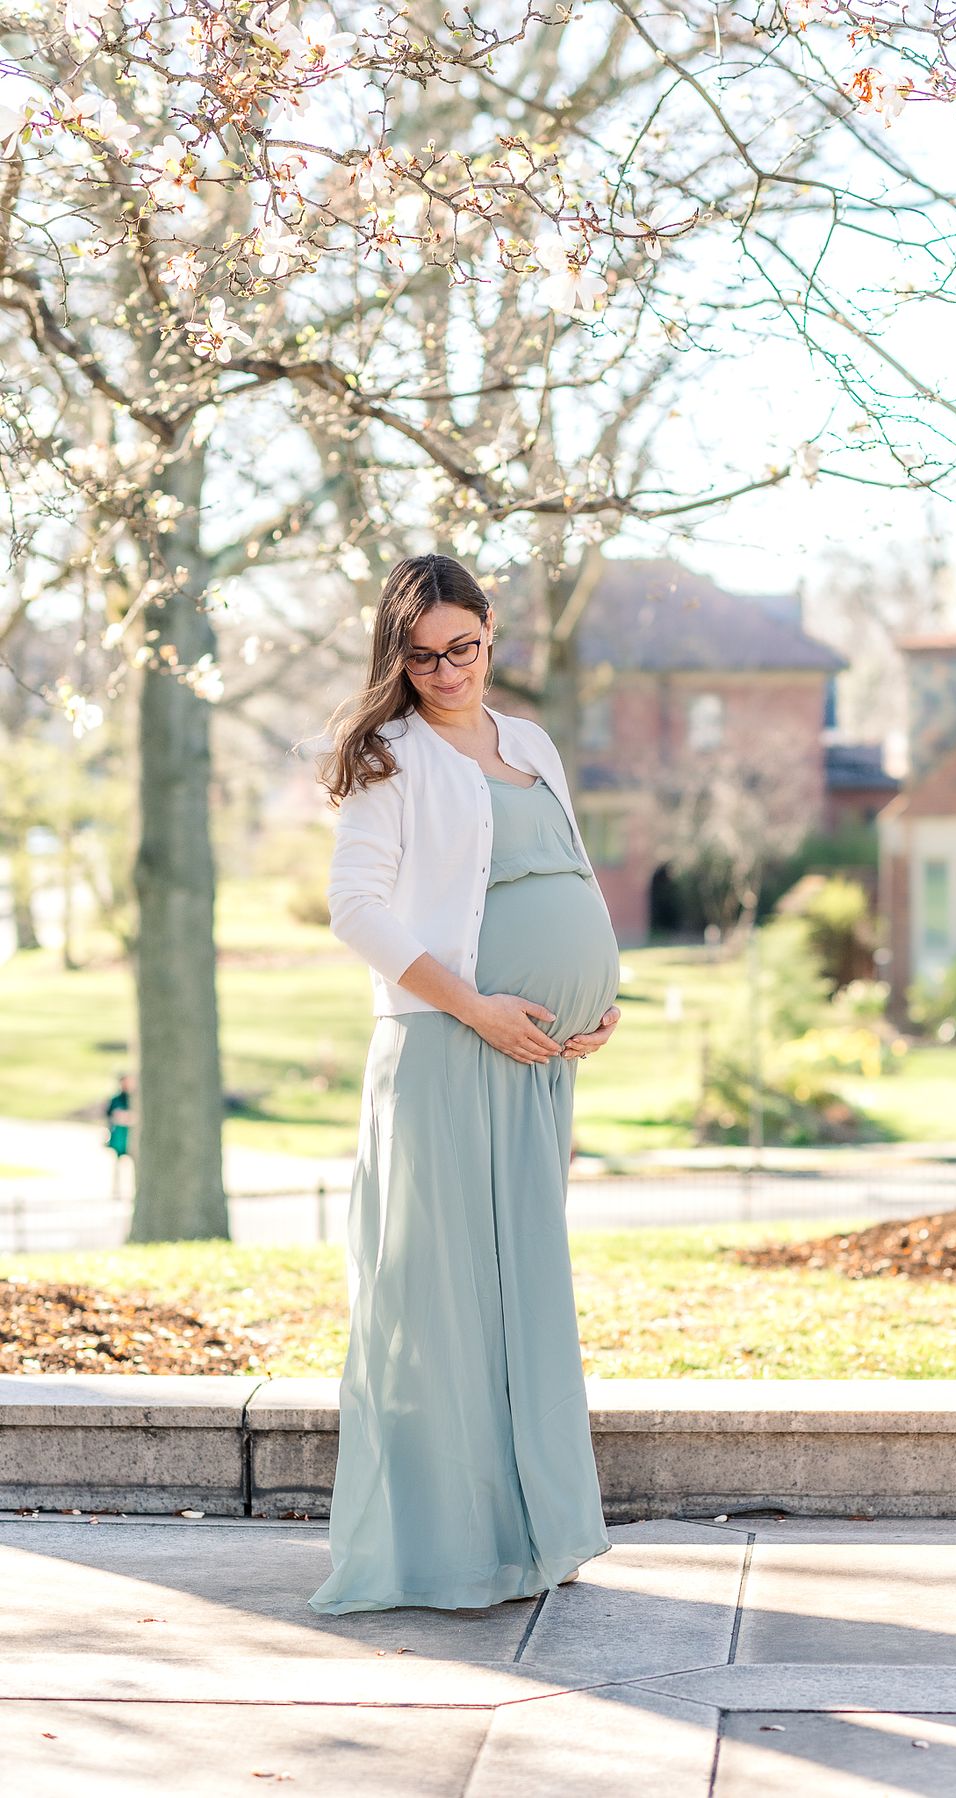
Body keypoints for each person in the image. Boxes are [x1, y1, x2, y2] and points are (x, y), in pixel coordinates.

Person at [308, 554, 622, 1614]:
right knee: (440, 1301)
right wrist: (478, 1006)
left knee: (524, 1297)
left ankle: (530, 1538)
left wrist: (597, 998)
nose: (446, 670)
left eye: (465, 647)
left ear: (493, 631)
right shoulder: (387, 757)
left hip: (535, 1068)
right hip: (448, 1054)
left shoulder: (526, 740)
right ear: (396, 655)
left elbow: (564, 872)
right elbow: (357, 910)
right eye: (423, 654)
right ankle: (444, 1551)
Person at [104, 1072, 134, 1203]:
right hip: (119, 1135)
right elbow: (111, 1114)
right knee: (117, 1164)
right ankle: (116, 1190)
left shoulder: (133, 1098)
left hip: (131, 1135)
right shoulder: (116, 1099)